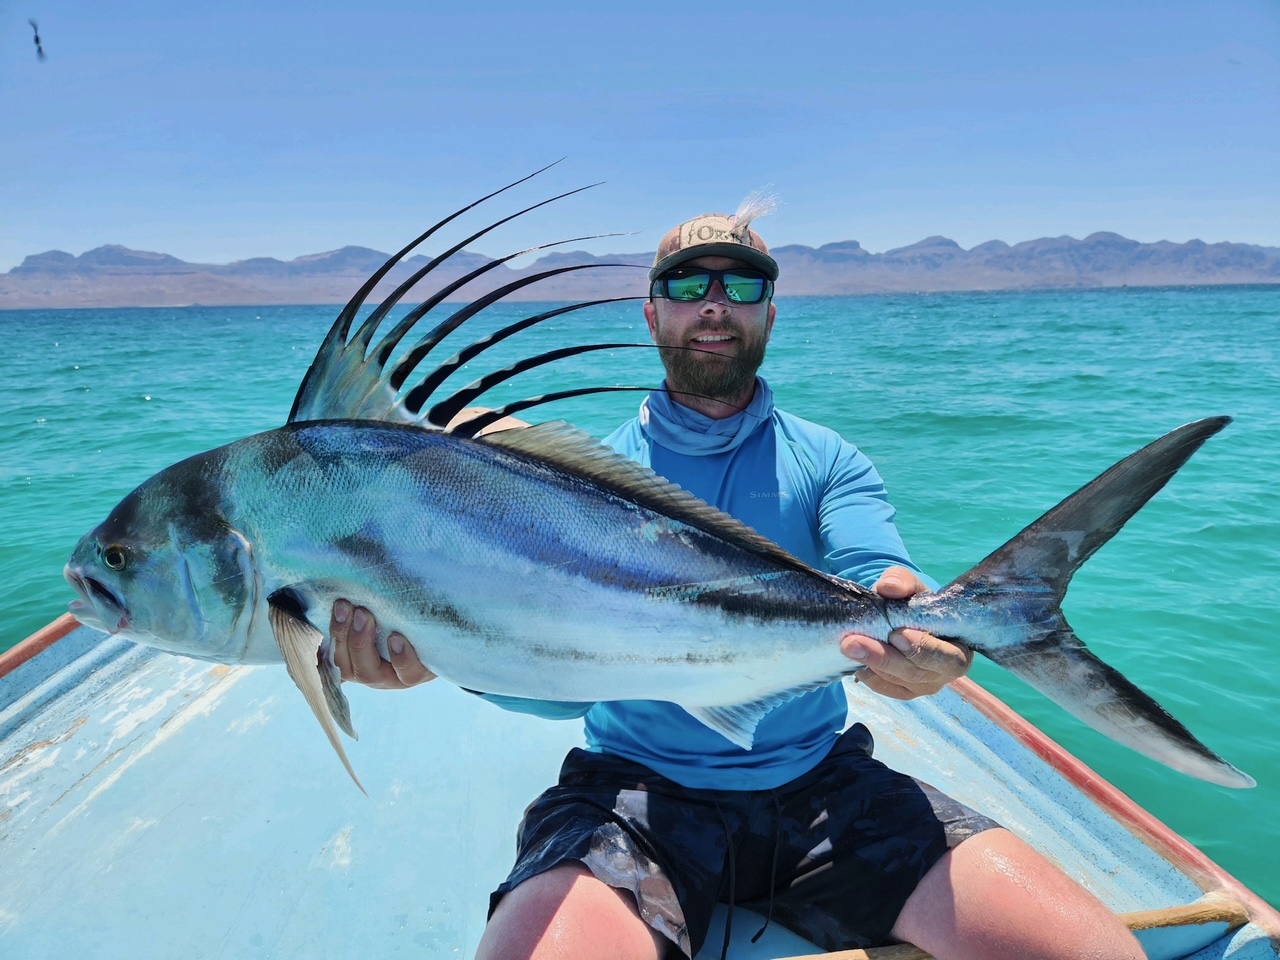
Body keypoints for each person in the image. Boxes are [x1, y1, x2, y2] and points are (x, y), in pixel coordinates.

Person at [329, 205, 1144, 960]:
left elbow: (876, 574)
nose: (713, 304)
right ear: (652, 314)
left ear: (769, 315)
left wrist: (924, 643)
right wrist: (444, 656)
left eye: (741, 285)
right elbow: (555, 689)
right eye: (687, 285)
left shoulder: (827, 461)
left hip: (824, 787)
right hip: (633, 798)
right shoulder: (576, 481)